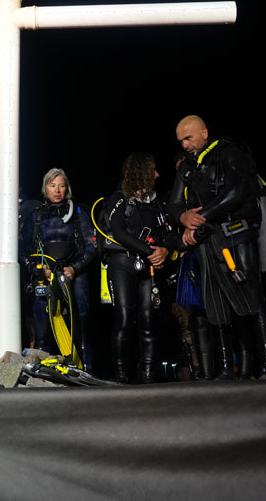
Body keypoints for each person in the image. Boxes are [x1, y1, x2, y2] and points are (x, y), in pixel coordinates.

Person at [169, 115, 266, 379]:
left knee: (250, 298)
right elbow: (172, 205)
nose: (184, 144)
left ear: (205, 132)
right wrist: (184, 218)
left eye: (189, 137)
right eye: (180, 140)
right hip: (207, 241)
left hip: (236, 234)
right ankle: (228, 368)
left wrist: (201, 216)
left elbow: (239, 190)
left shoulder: (229, 153)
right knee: (216, 304)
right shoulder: (186, 167)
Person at [103, 153, 182, 383]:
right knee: (125, 318)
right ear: (140, 172)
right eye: (153, 170)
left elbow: (170, 232)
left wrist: (165, 250)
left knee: (149, 320)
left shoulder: (158, 203)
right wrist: (150, 251)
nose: (157, 175)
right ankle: (121, 375)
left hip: (150, 266)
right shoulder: (120, 198)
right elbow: (118, 232)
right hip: (122, 264)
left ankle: (147, 373)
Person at [21, 168, 96, 371]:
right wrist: (38, 270)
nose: (57, 190)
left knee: (80, 325)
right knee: (43, 329)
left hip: (74, 272)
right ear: (45, 188)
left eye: (61, 186)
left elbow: (92, 245)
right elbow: (23, 250)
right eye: (52, 185)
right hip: (44, 276)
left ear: (67, 189)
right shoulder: (35, 216)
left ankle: (86, 369)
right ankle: (41, 374)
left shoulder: (79, 213)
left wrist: (75, 268)